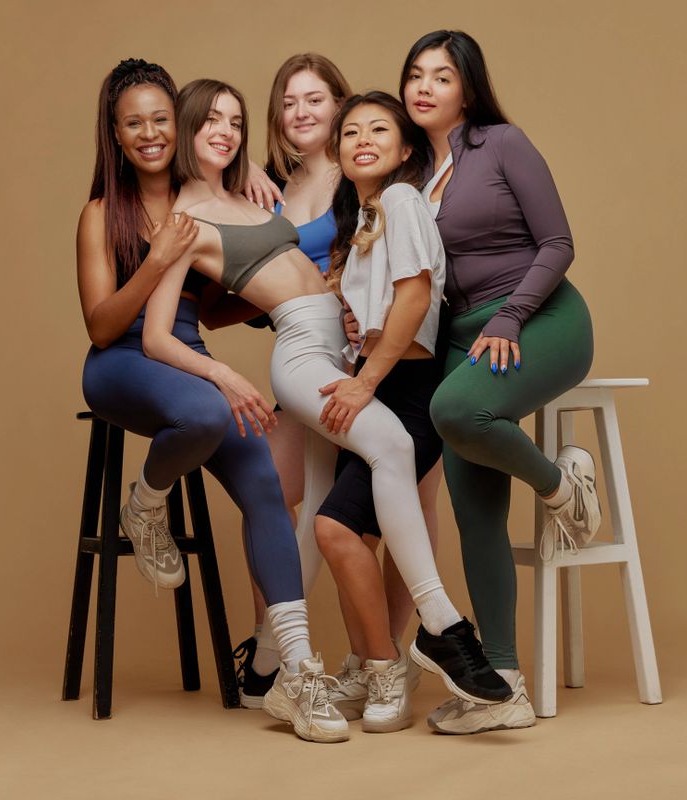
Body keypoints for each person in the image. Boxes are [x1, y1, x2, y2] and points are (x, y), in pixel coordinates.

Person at [141, 77, 514, 726]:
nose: (226, 132)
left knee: (325, 514)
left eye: (236, 121)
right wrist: (224, 377)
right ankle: (442, 625)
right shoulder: (184, 220)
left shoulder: (274, 197)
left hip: (346, 352)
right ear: (183, 133)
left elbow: (316, 231)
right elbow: (156, 332)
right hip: (303, 355)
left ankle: (283, 665)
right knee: (386, 447)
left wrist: (249, 170)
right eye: (210, 123)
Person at [78, 58, 348, 744]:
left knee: (262, 477)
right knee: (205, 410)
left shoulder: (205, 199)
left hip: (187, 359)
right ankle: (145, 506)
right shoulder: (103, 213)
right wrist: (158, 260)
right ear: (115, 132)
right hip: (121, 366)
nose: (150, 133)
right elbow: (105, 325)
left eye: (161, 120)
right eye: (133, 122)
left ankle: (297, 671)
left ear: (180, 125)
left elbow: (224, 302)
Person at [398, 30, 599, 734]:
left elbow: (559, 243)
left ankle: (559, 489)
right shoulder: (412, 170)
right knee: (471, 503)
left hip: (540, 319)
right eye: (415, 75)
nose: (424, 87)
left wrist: (513, 316)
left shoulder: (502, 144)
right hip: (463, 336)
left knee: (459, 411)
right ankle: (504, 687)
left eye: (441, 76)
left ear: (468, 87)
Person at [234, 53, 445, 717]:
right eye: (288, 101)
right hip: (310, 360)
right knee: (276, 494)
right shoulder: (269, 188)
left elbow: (391, 269)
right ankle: (276, 649)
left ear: (341, 107)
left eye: (315, 100)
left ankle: (386, 655)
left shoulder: (362, 180)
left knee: (389, 504)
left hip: (375, 361)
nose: (300, 112)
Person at [310, 90, 449, 732]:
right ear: (338, 152)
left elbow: (415, 300)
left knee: (335, 530)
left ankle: (387, 667)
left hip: (406, 390)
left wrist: (364, 381)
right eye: (351, 132)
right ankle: (372, 668)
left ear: (405, 148)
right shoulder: (364, 218)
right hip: (378, 383)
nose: (362, 139)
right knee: (354, 542)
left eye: (379, 130)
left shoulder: (400, 200)